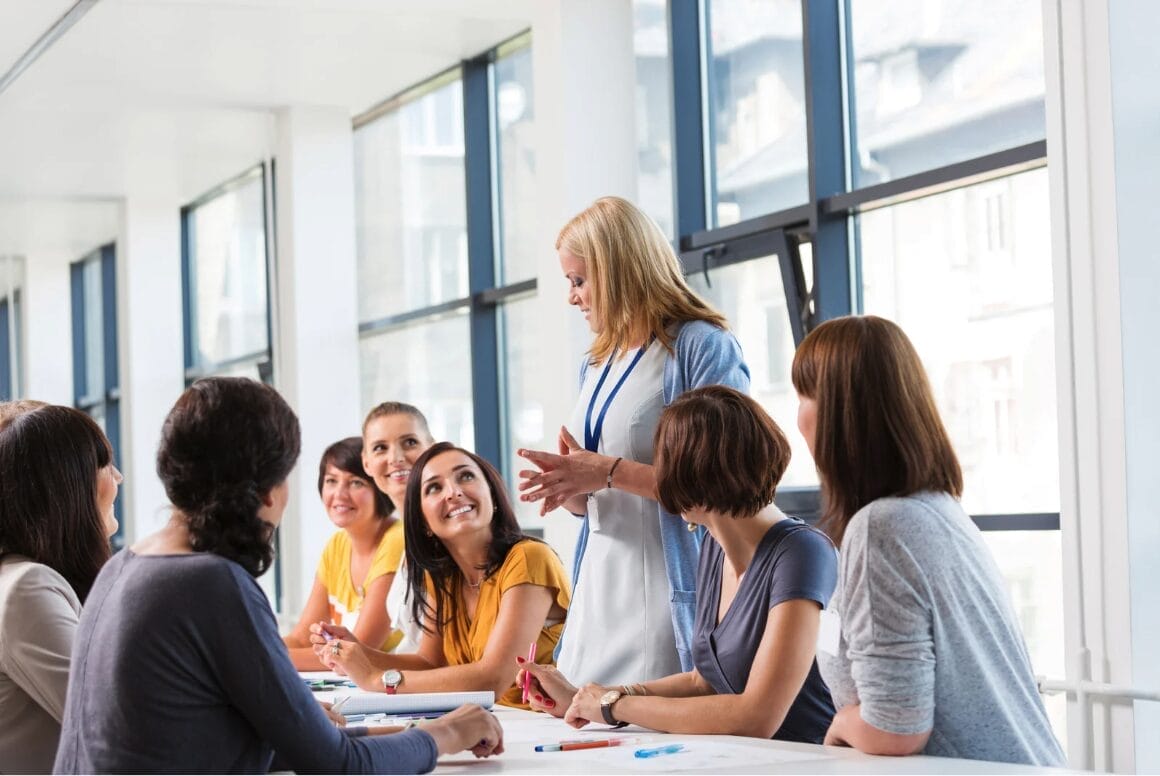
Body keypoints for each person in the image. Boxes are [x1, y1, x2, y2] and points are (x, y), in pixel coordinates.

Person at [54, 378, 502, 773]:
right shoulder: (210, 582)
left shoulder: (123, 567)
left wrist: (408, 733)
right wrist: (446, 734)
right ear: (267, 490)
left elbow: (237, 746)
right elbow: (339, 765)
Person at [791, 315, 1065, 765]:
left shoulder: (882, 528)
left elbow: (895, 727)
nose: (798, 417)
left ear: (842, 415)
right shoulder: (935, 509)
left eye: (806, 395)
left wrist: (841, 724)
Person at [517, 195, 749, 687]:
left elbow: (729, 486)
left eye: (579, 281)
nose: (572, 297)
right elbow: (602, 496)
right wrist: (572, 489)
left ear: (618, 271)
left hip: (666, 586)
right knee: (582, 717)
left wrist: (606, 472)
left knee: (643, 723)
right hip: (599, 584)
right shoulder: (596, 362)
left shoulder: (700, 347)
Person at [518, 386, 836, 742]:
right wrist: (586, 698)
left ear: (689, 475)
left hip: (807, 758)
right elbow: (703, 682)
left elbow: (757, 716)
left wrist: (612, 706)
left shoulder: (801, 552)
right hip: (747, 758)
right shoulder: (715, 547)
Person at [316, 442, 570, 709]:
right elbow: (429, 663)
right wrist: (359, 653)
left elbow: (493, 679)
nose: (454, 492)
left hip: (550, 724)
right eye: (434, 488)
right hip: (498, 721)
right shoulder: (443, 576)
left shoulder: (529, 558)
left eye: (466, 476)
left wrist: (378, 679)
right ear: (423, 521)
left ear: (492, 495)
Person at [0, 403, 120, 773]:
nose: (117, 478)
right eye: (103, 465)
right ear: (68, 488)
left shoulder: (18, 579)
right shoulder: (27, 589)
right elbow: (114, 725)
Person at [283, 437, 403, 669]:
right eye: (331, 481)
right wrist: (254, 648)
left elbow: (356, 652)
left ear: (379, 487)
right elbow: (301, 639)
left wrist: (264, 657)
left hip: (401, 685)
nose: (339, 494)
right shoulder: (337, 545)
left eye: (356, 483)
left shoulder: (397, 541)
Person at [359, 401, 437, 652]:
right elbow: (416, 649)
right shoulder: (410, 536)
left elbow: (437, 658)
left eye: (410, 442)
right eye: (380, 448)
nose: (396, 458)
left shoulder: (445, 535)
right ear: (367, 463)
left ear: (431, 448)